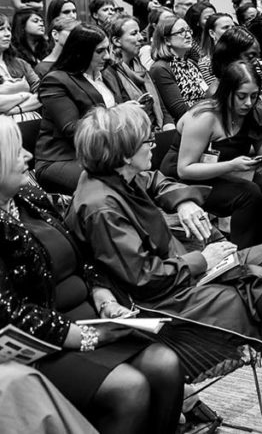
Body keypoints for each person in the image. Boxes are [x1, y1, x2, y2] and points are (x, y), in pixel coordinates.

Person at [67, 103, 262, 434]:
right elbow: (145, 278)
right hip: (156, 306)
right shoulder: (102, 207)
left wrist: (184, 201)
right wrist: (204, 260)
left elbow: (155, 180)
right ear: (124, 155)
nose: (154, 143)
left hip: (172, 281)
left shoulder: (116, 176)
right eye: (146, 140)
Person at [0, 118, 186, 434]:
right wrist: (88, 337)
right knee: (129, 388)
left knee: (166, 364)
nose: (28, 156)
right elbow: (11, 314)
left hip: (89, 317)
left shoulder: (28, 197)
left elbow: (81, 252)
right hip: (44, 342)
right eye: (17, 152)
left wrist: (104, 298)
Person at [163, 62, 262, 248]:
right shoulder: (205, 117)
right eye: (241, 96)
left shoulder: (254, 114)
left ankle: (261, 250)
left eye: (254, 96)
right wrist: (231, 166)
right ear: (227, 92)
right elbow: (184, 169)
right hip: (183, 177)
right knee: (249, 194)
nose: (248, 103)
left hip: (224, 169)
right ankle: (241, 253)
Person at [36, 24, 126, 195]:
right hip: (63, 158)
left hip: (104, 153)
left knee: (138, 172)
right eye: (100, 51)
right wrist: (117, 115)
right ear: (81, 52)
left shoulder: (106, 74)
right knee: (115, 182)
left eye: (107, 49)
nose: (107, 56)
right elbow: (71, 129)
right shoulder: (56, 80)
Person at [102, 15, 170, 130]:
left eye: (139, 32)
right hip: (134, 133)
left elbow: (162, 108)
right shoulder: (109, 73)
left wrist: (169, 124)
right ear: (117, 41)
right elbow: (118, 115)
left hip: (158, 130)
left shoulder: (139, 66)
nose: (141, 38)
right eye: (134, 34)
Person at [148, 17, 208, 122]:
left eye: (188, 30)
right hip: (186, 123)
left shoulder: (191, 63)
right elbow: (180, 110)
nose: (188, 35)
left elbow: (207, 95)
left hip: (205, 117)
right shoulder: (160, 68)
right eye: (181, 32)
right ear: (167, 40)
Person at [0, 13, 42, 122]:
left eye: (9, 29)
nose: (7, 34)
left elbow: (43, 94)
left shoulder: (21, 64)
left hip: (33, 123)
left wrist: (17, 109)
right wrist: (24, 96)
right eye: (1, 29)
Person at [196, 11, 234, 83]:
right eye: (226, 27)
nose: (232, 31)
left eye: (233, 27)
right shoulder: (206, 64)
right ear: (212, 33)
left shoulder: (242, 55)